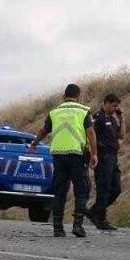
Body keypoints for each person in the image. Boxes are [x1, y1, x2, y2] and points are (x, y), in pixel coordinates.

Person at [30, 83, 98, 238]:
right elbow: (91, 132)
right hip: (77, 154)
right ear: (79, 95)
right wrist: (94, 154)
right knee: (82, 189)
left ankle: (58, 228)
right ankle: (77, 225)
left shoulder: (54, 112)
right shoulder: (83, 111)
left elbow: (44, 130)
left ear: (64, 96)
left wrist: (34, 143)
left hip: (58, 155)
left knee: (60, 191)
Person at [88, 93, 124, 231]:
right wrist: (95, 153)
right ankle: (101, 219)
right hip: (103, 157)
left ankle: (94, 211)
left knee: (116, 189)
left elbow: (121, 135)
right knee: (103, 189)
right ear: (106, 103)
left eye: (117, 106)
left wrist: (121, 118)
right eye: (114, 105)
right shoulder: (97, 118)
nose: (116, 108)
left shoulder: (113, 119)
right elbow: (90, 135)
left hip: (113, 157)